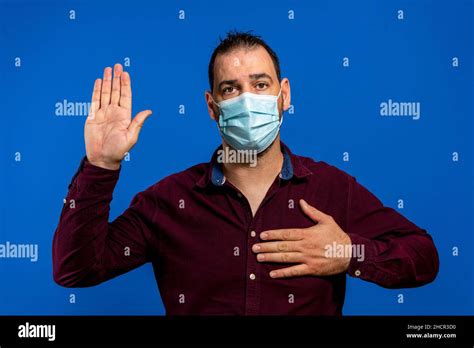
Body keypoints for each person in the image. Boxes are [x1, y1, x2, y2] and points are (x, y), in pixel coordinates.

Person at [53, 31, 439, 315]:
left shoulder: (331, 189)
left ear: (283, 95)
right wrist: (101, 165)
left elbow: (424, 257)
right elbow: (75, 269)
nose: (248, 99)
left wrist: (349, 253)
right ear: (211, 106)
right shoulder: (168, 202)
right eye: (231, 89)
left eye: (260, 84)